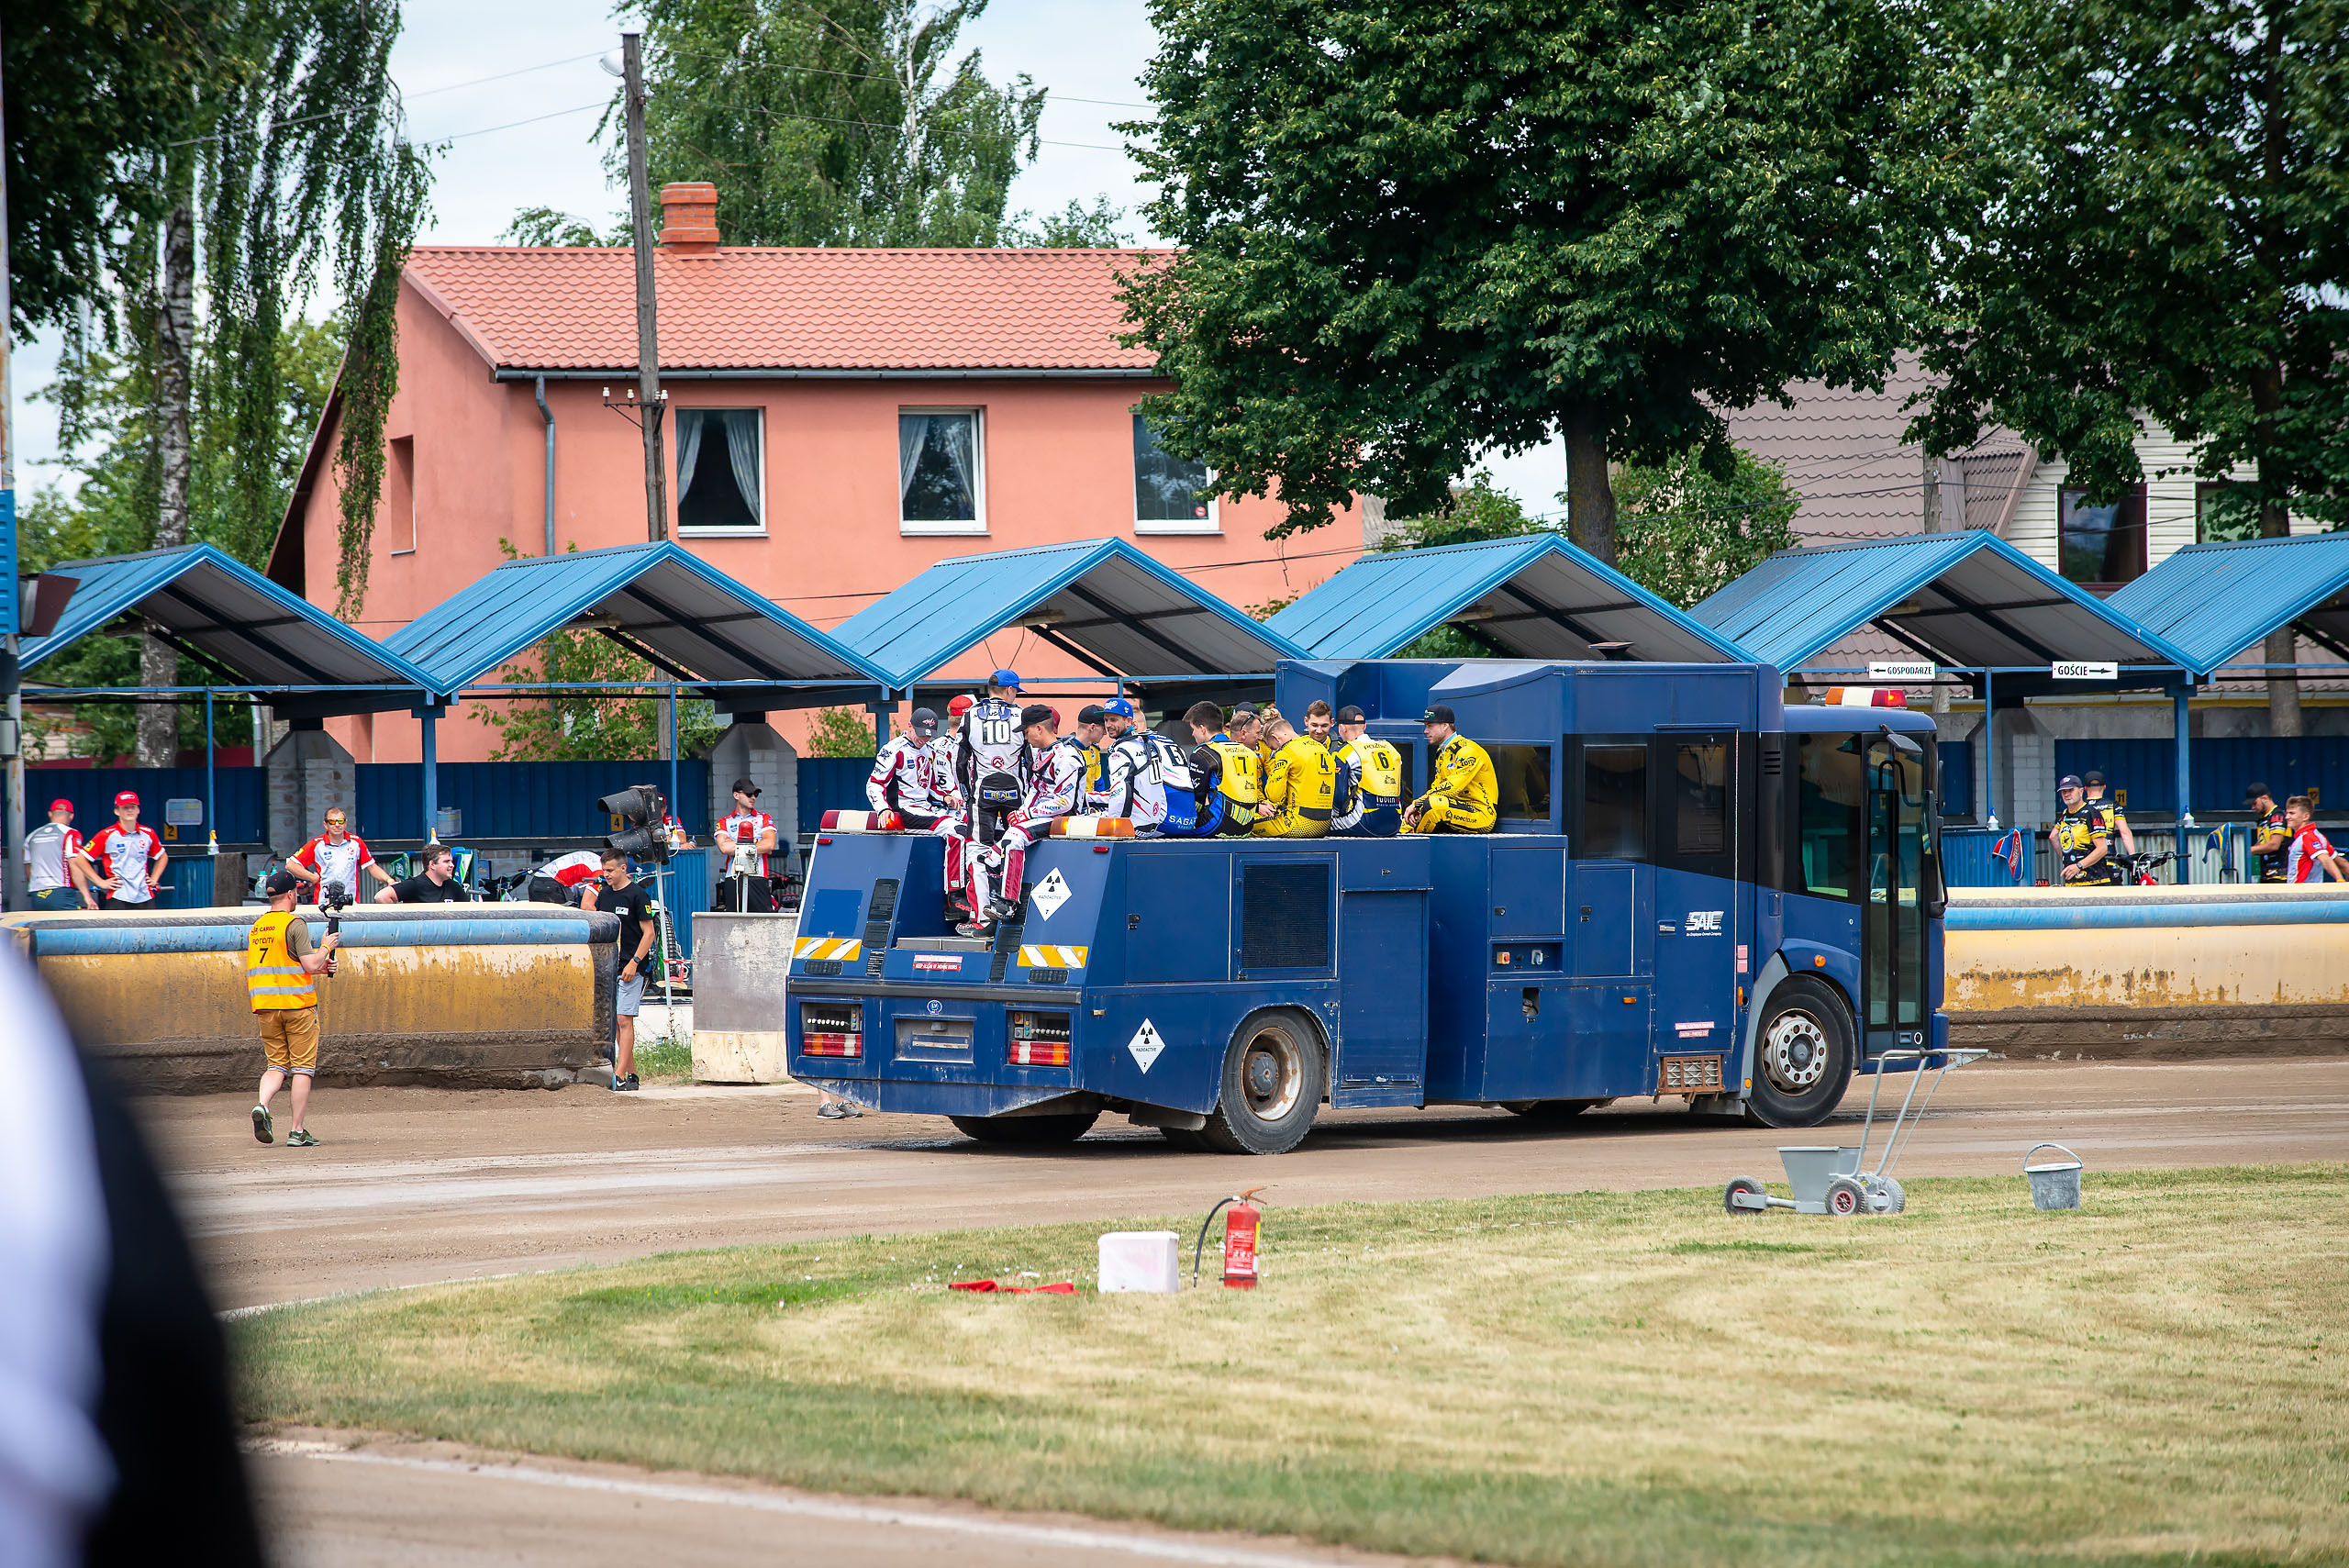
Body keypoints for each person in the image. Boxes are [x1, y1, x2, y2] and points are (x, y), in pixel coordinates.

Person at [963, 704, 1083, 933]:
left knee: (1014, 837)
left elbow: (1065, 802)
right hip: (1042, 817)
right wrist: (1024, 811)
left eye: (1026, 732)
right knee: (989, 855)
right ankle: (992, 910)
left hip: (1065, 819)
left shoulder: (1066, 757)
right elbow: (1035, 792)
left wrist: (1027, 813)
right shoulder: (1041, 755)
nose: (1025, 737)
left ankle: (1008, 903)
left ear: (1039, 728)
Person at [246, 868, 340, 1147]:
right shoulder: (294, 924)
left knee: (276, 1065)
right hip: (298, 1007)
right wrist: (325, 947)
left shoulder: (258, 927)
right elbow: (309, 964)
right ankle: (297, 1131)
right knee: (302, 1069)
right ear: (291, 894)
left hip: (265, 1007)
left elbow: (281, 967)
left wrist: (320, 970)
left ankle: (262, 1105)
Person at [949, 671, 1032, 925]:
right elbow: (1030, 760)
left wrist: (965, 793)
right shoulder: (1020, 714)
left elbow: (958, 760)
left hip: (982, 793)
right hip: (1015, 793)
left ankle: (981, 919)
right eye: (1016, 690)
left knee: (977, 850)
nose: (1016, 695)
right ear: (1009, 691)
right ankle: (1017, 911)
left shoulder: (971, 715)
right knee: (1018, 845)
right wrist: (1028, 793)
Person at [596, 850, 658, 1092]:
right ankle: (631, 1075)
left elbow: (649, 934)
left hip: (632, 968)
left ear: (623, 869)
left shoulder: (638, 895)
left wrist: (634, 962)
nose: (606, 875)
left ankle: (618, 1075)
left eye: (610, 870)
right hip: (610, 966)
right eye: (604, 870)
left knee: (624, 1019)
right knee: (615, 1023)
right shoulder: (604, 895)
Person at [1094, 696, 1192, 833]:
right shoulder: (1168, 741)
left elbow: (1123, 793)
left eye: (1113, 720)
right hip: (1189, 817)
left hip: (1164, 817)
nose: (1108, 725)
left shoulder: (1138, 745)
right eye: (1106, 720)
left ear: (1132, 724)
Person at [1403, 706, 1497, 834]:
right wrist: (1419, 809)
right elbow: (1437, 787)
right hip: (1455, 809)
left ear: (1445, 725)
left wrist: (1417, 804)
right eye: (1426, 726)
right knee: (1412, 817)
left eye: (1430, 726)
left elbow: (1452, 787)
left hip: (1481, 815)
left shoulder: (1468, 751)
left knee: (1431, 806)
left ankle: (1414, 840)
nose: (1425, 731)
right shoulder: (1442, 752)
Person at [1182, 699, 1263, 836]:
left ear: (1202, 729)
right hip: (1248, 826)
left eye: (1193, 729)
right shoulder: (1248, 752)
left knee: (1175, 827)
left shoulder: (1202, 752)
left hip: (1218, 825)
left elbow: (1197, 799)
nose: (1192, 734)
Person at [1255, 712, 1341, 838]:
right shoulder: (1322, 748)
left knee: (1246, 825)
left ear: (1276, 738)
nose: (1277, 751)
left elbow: (1274, 796)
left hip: (1298, 825)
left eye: (1275, 748)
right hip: (1325, 825)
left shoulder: (1286, 751)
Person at [286, 806, 395, 904]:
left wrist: (389, 880)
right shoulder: (317, 844)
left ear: (346, 823)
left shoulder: (356, 842)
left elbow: (372, 867)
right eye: (332, 822)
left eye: (340, 821)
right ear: (326, 825)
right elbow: (291, 865)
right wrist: (311, 877)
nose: (337, 825)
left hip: (351, 903)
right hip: (323, 903)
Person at [78, 791, 168, 909]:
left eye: (133, 807)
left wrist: (154, 879)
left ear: (138, 810)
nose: (130, 810)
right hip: (118, 895)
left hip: (145, 896)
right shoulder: (106, 835)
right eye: (125, 808)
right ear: (117, 811)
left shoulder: (148, 833)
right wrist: (100, 882)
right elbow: (80, 859)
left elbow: (162, 856)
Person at [867, 708, 953, 829]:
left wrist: (945, 797)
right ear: (910, 726)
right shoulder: (893, 749)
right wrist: (883, 808)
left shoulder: (930, 750)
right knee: (954, 828)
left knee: (966, 824)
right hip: (904, 809)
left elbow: (932, 785)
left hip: (927, 808)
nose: (924, 739)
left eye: (928, 736)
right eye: (921, 733)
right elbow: (875, 783)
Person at [1330, 706, 1405, 837]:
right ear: (1365, 726)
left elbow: (1339, 797)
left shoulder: (1344, 752)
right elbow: (1401, 789)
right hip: (1395, 824)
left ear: (1343, 728)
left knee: (1320, 826)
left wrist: (1335, 815)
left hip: (1364, 824)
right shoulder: (1390, 749)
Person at [717, 776, 781, 912]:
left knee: (762, 922)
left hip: (758, 876)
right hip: (733, 877)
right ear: (736, 795)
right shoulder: (724, 821)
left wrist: (736, 844)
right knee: (734, 922)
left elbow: (769, 844)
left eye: (755, 794)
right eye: (749, 794)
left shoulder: (764, 818)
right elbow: (724, 847)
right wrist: (755, 842)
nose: (753, 798)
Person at [25, 799, 96, 910]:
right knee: (71, 926)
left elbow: (28, 869)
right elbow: (74, 864)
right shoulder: (71, 834)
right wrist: (87, 897)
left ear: (50, 813)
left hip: (37, 894)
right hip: (61, 892)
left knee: (42, 926)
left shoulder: (31, 836)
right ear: (72, 816)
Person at [2051, 774, 2118, 884]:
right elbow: (2053, 837)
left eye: (2070, 790)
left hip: (2095, 881)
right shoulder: (2064, 814)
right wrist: (2067, 861)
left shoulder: (2092, 813)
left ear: (2081, 791)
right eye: (2063, 792)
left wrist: (2078, 865)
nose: (2067, 794)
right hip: (2073, 881)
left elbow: (2102, 848)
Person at [376, 842, 471, 903]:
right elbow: (381, 896)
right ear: (432, 864)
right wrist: (399, 922)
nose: (452, 865)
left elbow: (473, 907)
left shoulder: (453, 886)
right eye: (446, 861)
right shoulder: (414, 884)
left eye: (451, 861)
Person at [2282, 795, 2345, 884]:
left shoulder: (2307, 836)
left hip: (2302, 893)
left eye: (2292, 813)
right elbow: (2341, 863)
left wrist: (2340, 881)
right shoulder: (2318, 836)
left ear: (2305, 816)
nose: (2287, 817)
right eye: (2287, 813)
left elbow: (2325, 859)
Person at [2083, 770, 2136, 857]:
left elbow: (2054, 836)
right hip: (2108, 858)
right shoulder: (2112, 806)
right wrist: (2133, 857)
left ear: (2085, 788)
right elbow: (2124, 832)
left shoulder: (2081, 807)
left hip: (2086, 860)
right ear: (2104, 787)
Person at [529, 848, 607, 906]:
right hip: (553, 885)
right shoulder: (601, 872)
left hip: (537, 881)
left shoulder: (595, 860)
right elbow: (587, 906)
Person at [2246, 783, 2289, 883]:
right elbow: (2261, 843)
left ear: (2264, 798)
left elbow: (2274, 845)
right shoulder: (2262, 819)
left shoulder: (2277, 816)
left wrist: (2248, 851)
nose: (2252, 807)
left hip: (2279, 876)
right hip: (2266, 875)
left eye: (2254, 803)